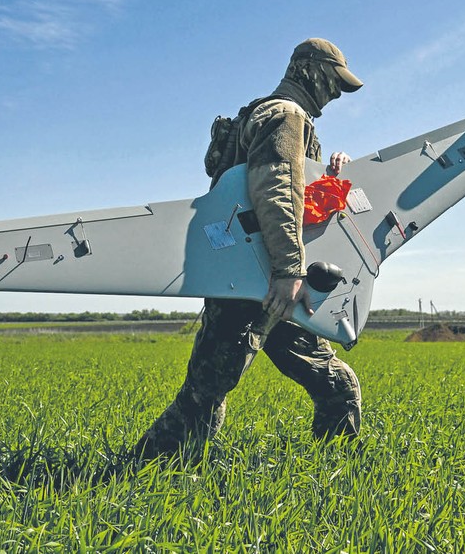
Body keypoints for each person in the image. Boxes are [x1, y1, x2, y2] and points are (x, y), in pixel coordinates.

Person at [135, 38, 364, 459]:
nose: (335, 94)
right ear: (309, 71)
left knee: (330, 383)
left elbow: (298, 200)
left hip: (254, 278)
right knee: (206, 394)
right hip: (266, 284)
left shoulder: (267, 114)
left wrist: (329, 177)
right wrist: (289, 270)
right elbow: (276, 191)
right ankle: (140, 473)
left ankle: (337, 473)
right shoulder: (285, 115)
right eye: (334, 82)